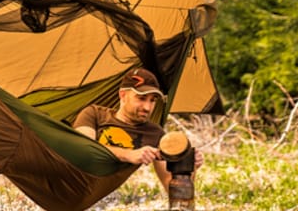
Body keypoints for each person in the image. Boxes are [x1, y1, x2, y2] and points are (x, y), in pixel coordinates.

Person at [73, 67, 203, 195]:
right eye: (141, 98)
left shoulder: (155, 135)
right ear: (123, 95)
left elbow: (175, 191)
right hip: (64, 173)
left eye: (152, 100)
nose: (147, 107)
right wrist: (129, 154)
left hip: (79, 194)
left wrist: (188, 169)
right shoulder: (94, 113)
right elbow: (84, 149)